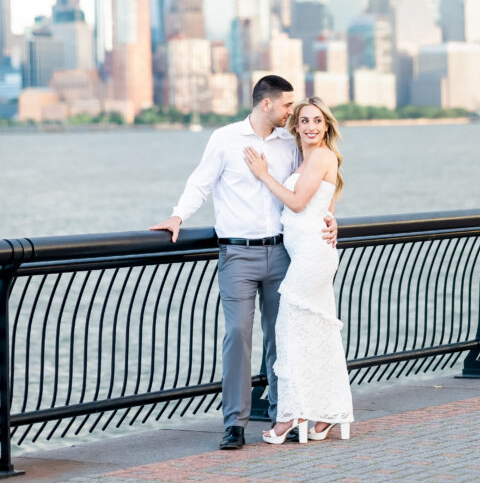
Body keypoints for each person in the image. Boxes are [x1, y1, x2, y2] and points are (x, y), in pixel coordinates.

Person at [150, 75, 337, 451]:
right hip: (236, 254)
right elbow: (200, 183)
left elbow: (315, 186)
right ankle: (234, 423)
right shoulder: (224, 139)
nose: (293, 113)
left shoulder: (291, 143)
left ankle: (284, 411)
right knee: (237, 335)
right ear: (266, 104)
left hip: (283, 253)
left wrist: (331, 219)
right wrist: (177, 216)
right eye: (288, 106)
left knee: (281, 336)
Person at [243, 96, 354, 445]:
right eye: (304, 120)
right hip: (309, 252)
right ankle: (324, 415)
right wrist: (333, 221)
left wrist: (263, 176)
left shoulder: (321, 155)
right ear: (297, 126)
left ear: (326, 126)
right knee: (313, 333)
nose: (310, 127)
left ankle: (292, 415)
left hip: (311, 256)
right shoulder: (307, 158)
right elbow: (327, 205)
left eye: (317, 121)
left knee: (289, 330)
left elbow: (296, 202)